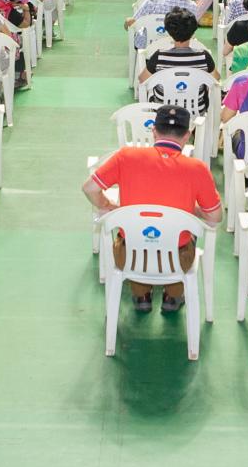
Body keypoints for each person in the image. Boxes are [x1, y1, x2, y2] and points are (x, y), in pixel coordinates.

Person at [82, 103, 220, 312]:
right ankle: (172, 296)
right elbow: (215, 217)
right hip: (176, 259)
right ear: (187, 136)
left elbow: (89, 188)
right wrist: (192, 211)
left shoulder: (125, 156)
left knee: (129, 240)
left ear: (154, 131)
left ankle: (141, 295)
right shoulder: (198, 169)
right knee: (186, 238)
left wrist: (109, 206)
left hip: (131, 256)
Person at [139, 8, 217, 96]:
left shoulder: (159, 56)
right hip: (197, 108)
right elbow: (216, 80)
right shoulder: (204, 56)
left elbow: (142, 79)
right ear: (193, 31)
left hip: (163, 107)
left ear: (169, 31)